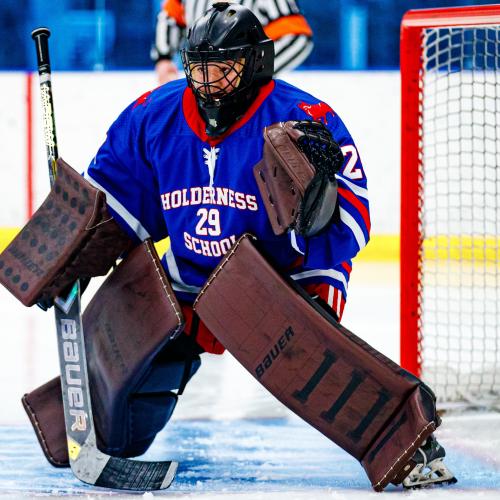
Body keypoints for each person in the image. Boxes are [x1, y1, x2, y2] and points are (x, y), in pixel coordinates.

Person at [151, 0, 313, 84]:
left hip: (246, 94)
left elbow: (297, 37)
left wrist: (252, 72)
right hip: (197, 81)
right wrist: (163, 59)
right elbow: (170, 17)